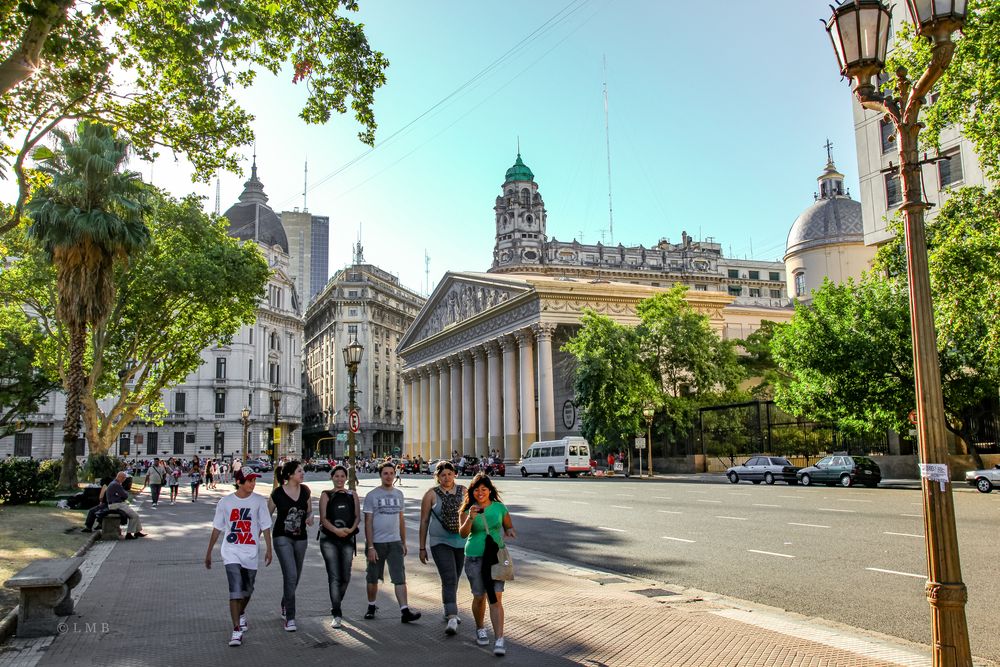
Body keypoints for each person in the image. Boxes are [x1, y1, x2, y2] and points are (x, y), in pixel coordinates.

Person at [205, 469, 273, 647]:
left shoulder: (259, 501)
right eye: (249, 480)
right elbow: (217, 528)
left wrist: (269, 549)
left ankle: (241, 612)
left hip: (250, 551)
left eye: (253, 480)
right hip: (231, 551)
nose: (252, 483)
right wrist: (209, 551)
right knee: (235, 588)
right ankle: (236, 630)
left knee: (248, 590)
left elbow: (265, 526)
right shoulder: (225, 502)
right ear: (239, 482)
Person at [459, 473, 516, 656]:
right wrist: (470, 518)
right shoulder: (467, 510)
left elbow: (508, 525)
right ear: (472, 492)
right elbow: (462, 533)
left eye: (484, 489)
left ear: (490, 490)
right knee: (479, 597)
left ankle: (499, 639)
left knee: (496, 598)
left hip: (496, 558)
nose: (480, 493)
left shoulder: (499, 507)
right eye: (477, 490)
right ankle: (480, 627)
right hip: (475, 557)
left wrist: (509, 531)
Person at [362, 461, 421, 623]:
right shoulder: (372, 495)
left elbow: (401, 519)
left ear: (395, 475)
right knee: (373, 578)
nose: (389, 476)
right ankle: (371, 606)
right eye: (385, 473)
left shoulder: (399, 494)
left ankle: (405, 611)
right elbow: (368, 522)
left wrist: (403, 541)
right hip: (377, 543)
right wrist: (370, 546)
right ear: (380, 475)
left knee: (399, 577)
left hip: (395, 542)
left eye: (391, 473)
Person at [418, 460, 467, 635]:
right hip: (439, 542)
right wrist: (422, 547)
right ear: (437, 477)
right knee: (449, 577)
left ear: (455, 474)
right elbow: (424, 521)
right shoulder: (431, 495)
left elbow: (471, 516)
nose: (446, 478)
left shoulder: (464, 491)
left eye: (449, 474)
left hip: (461, 542)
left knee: (455, 577)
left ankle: (449, 609)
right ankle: (452, 616)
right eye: (443, 475)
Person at [268, 460, 313, 632]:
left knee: (296, 575)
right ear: (289, 475)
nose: (302, 473)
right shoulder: (277, 493)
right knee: (291, 574)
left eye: (302, 471)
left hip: (301, 538)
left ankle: (285, 602)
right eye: (299, 471)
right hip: (282, 538)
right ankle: (290, 617)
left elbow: (308, 510)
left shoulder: (306, 491)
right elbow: (266, 516)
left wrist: (310, 517)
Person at [319, 465, 360, 628]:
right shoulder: (326, 495)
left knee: (346, 576)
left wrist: (350, 530)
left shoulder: (353, 495)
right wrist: (336, 530)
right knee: (334, 576)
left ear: (347, 478)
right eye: (337, 476)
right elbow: (323, 518)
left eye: (343, 476)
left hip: (348, 538)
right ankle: (337, 612)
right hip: (329, 539)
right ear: (332, 478)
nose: (340, 479)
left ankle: (336, 602)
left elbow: (357, 516)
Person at [106, 471, 146, 539]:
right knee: (134, 516)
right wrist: (123, 496)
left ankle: (137, 532)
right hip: (116, 504)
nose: (124, 480)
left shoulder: (114, 483)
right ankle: (129, 533)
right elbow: (125, 495)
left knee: (135, 514)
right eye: (124, 478)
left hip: (115, 503)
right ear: (120, 477)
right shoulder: (116, 484)